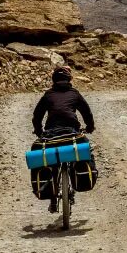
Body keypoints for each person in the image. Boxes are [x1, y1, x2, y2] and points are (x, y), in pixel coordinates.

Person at [32, 66, 96, 212]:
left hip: (51, 134)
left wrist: (39, 131)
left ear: (54, 80)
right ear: (69, 79)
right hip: (72, 132)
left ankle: (53, 198)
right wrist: (90, 127)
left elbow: (37, 116)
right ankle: (77, 180)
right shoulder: (75, 94)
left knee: (52, 161)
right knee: (84, 150)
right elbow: (87, 113)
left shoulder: (48, 95)